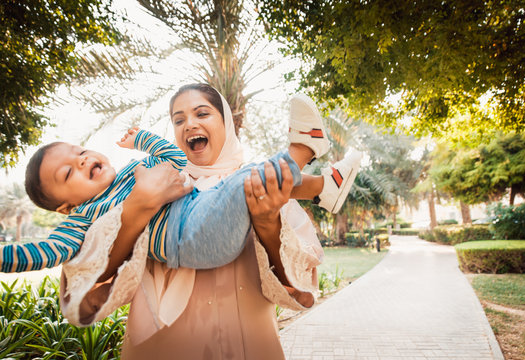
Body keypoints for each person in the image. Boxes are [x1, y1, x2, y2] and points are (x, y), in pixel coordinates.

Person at [58, 84, 359, 359]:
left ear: (226, 123)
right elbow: (83, 294)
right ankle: (318, 176)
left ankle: (320, 181)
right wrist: (137, 208)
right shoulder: (145, 184)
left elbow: (301, 291)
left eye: (202, 113)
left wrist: (268, 224)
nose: (189, 124)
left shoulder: (266, 186)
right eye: (178, 120)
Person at [1, 96, 360, 274]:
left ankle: (324, 187)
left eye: (79, 152)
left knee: (244, 177)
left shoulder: (135, 169)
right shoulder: (80, 219)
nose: (80, 161)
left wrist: (142, 138)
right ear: (65, 207)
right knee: (243, 183)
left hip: (206, 217)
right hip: (188, 238)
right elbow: (43, 253)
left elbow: (174, 159)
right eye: (67, 174)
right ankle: (303, 149)